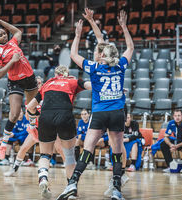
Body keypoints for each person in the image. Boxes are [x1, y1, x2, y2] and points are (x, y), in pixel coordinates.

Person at [57, 9, 134, 200]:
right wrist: (123, 27)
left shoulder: (94, 67)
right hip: (117, 112)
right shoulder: (120, 65)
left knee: (87, 150)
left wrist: (77, 35)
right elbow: (130, 48)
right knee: (116, 152)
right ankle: (116, 188)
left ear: (100, 55)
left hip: (100, 113)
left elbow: (74, 54)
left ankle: (72, 184)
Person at [26, 65, 91, 199]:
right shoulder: (72, 80)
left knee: (45, 154)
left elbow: (30, 107)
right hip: (64, 115)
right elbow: (91, 85)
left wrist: (36, 117)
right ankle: (71, 189)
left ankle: (43, 178)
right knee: (69, 155)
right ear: (66, 74)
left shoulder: (47, 83)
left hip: (45, 117)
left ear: (55, 75)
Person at [0, 16, 38, 160]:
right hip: (15, 81)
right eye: (0, 35)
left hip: (29, 77)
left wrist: (0, 22)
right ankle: (3, 145)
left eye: (4, 33)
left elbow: (17, 31)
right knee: (15, 114)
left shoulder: (13, 41)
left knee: (32, 107)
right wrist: (12, 62)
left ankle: (33, 128)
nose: (4, 35)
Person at [3, 76, 66, 176]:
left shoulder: (47, 97)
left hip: (49, 129)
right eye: (36, 83)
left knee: (60, 149)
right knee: (23, 148)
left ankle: (70, 170)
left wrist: (38, 114)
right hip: (35, 129)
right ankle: (14, 170)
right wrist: (36, 114)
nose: (38, 85)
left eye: (40, 83)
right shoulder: (30, 98)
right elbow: (27, 117)